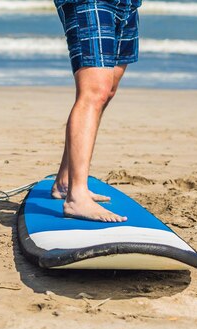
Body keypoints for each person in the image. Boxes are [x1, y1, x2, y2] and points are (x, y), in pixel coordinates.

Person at [52, 0, 141, 222]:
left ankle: (65, 180)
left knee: (107, 90)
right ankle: (76, 197)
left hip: (128, 4)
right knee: (94, 91)